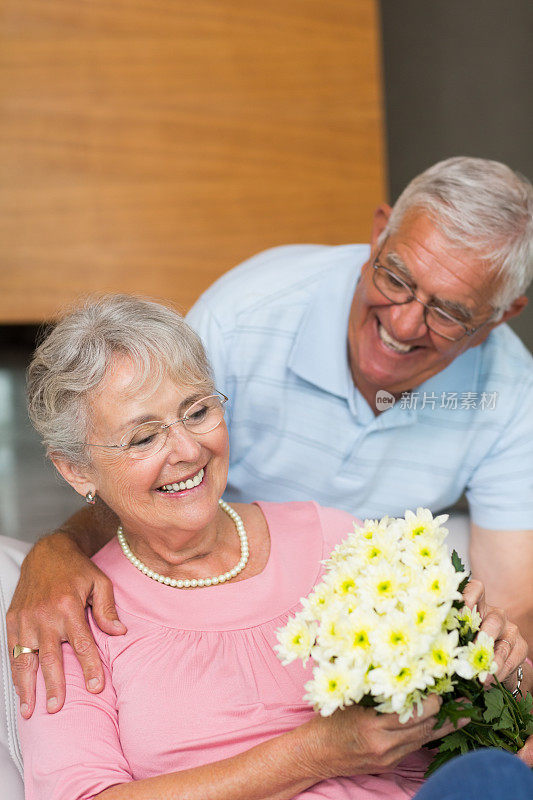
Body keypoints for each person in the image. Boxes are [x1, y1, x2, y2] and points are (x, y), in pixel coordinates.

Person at [7, 157, 533, 722]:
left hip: (368, 621)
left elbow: (508, 607)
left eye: (450, 313)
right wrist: (56, 549)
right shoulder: (244, 315)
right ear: (379, 232)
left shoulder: (512, 393)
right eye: (395, 278)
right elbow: (149, 468)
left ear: (503, 315)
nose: (403, 326)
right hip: (203, 570)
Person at [15, 295, 532, 799]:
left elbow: (494, 712)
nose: (188, 450)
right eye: (143, 439)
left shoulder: (337, 542)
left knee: (493, 779)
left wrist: (506, 670)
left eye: (197, 411)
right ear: (76, 469)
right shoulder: (67, 617)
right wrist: (318, 752)